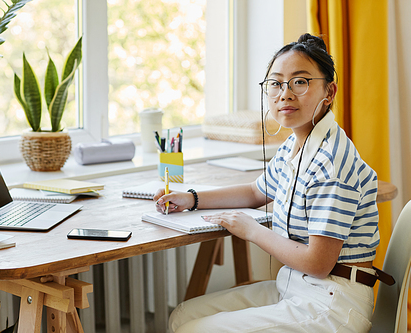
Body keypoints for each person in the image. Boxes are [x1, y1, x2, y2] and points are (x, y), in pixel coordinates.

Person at [154, 33, 386, 333]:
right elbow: (255, 192)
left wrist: (250, 230)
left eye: (300, 82)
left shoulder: (331, 165)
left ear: (329, 92)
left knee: (192, 330)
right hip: (297, 287)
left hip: (333, 303)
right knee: (183, 316)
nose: (284, 94)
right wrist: (192, 198)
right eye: (275, 83)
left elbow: (318, 263)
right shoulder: (295, 145)